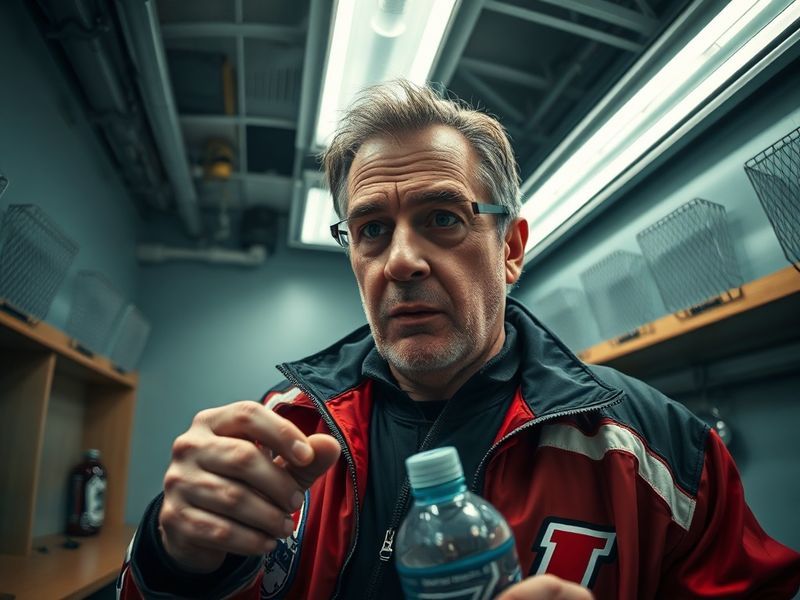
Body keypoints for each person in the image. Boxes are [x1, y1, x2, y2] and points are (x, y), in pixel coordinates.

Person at [118, 80, 800, 600]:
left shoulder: (666, 457)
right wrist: (170, 560)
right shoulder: (280, 431)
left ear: (510, 248)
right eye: (372, 230)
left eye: (442, 216)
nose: (401, 261)